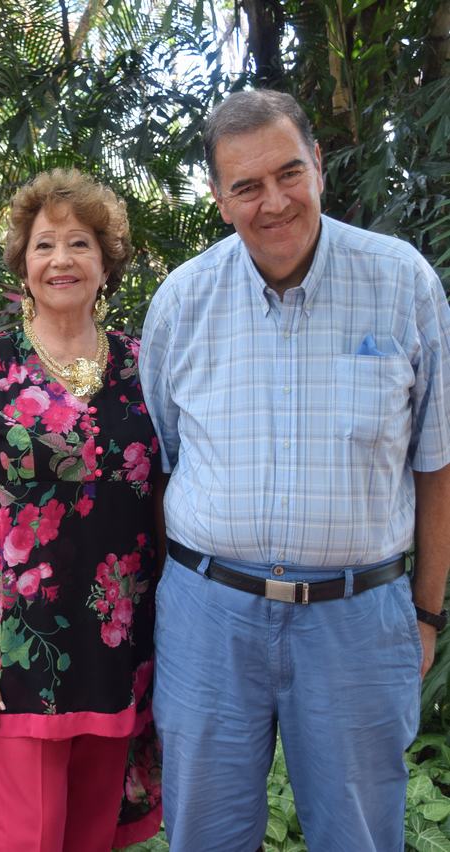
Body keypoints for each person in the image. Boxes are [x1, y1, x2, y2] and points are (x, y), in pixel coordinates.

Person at [140, 89, 450, 851]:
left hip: (357, 618)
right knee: (204, 837)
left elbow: (435, 464)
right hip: (209, 618)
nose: (272, 202)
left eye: (287, 173)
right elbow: (160, 466)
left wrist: (425, 611)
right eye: (245, 186)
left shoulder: (402, 283)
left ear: (317, 165)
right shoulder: (181, 302)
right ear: (217, 199)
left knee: (358, 838)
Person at [0, 168, 162, 851]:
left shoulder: (143, 365)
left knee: (91, 837)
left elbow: (160, 506)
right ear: (23, 265)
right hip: (16, 658)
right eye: (43, 245)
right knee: (21, 839)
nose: (60, 259)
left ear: (105, 263)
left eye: (79, 244)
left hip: (117, 648)